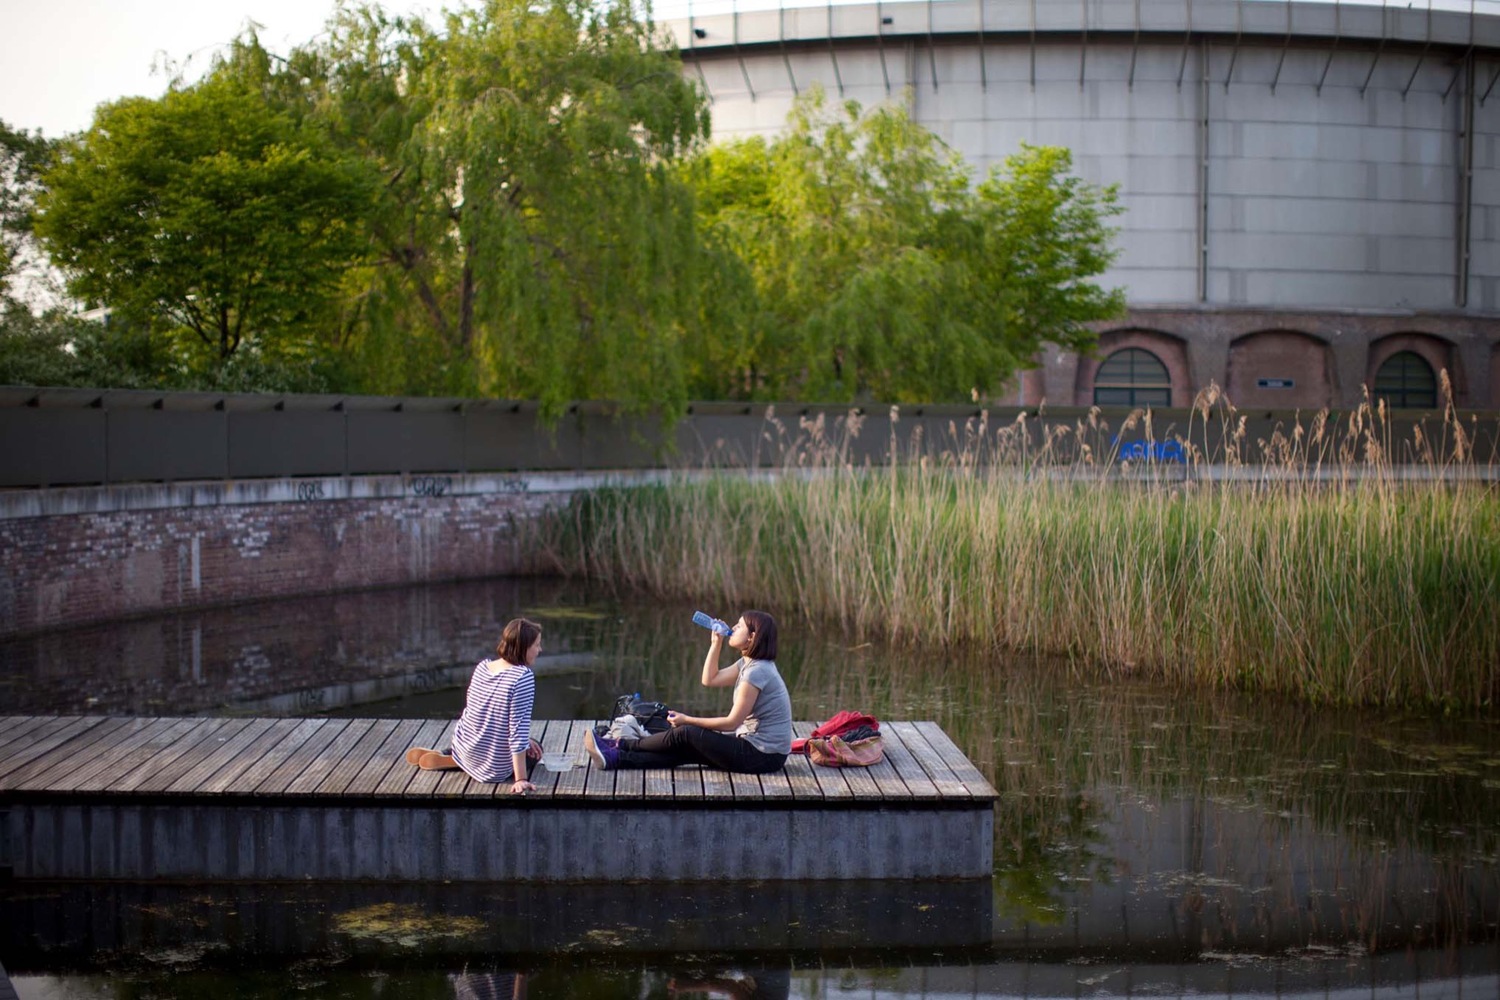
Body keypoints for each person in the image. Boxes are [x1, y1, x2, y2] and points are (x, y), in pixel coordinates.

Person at [584, 610, 791, 774]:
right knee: (686, 750)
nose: (734, 627)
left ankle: (620, 744)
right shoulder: (748, 664)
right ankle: (615, 758)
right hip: (760, 752)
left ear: (752, 637)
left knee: (685, 733)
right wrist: (715, 643)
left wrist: (687, 720)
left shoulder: (757, 672)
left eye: (740, 625)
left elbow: (731, 723)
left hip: (762, 756)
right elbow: (709, 679)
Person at [405, 617, 544, 796]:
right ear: (524, 647)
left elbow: (475, 713)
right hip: (492, 767)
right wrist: (520, 779)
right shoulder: (522, 678)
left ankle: (455, 756)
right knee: (536, 751)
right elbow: (517, 731)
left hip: (464, 745)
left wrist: (525, 741)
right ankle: (473, 761)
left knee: (526, 742)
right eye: (537, 645)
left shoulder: (483, 667)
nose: (539, 650)